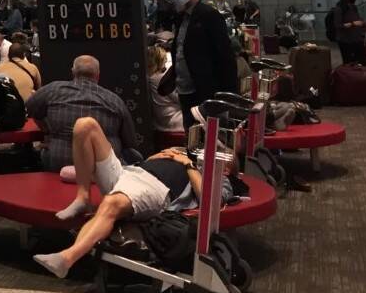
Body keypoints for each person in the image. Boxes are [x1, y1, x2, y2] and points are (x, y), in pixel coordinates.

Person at [32, 117, 231, 279]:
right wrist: (160, 156)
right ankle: (82, 198)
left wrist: (188, 165)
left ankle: (67, 258)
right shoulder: (184, 155)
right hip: (129, 172)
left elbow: (211, 200)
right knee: (86, 125)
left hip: (156, 187)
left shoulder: (217, 177)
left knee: (111, 204)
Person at [25, 55, 136, 173]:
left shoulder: (53, 89)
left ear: (73, 72)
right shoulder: (115, 101)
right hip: (102, 169)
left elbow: (27, 109)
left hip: (58, 165)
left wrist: (46, 128)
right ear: (98, 75)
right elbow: (130, 141)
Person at [168, 0, 239, 129]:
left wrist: (229, 97)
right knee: (191, 139)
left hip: (206, 91)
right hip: (185, 91)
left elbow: (225, 57)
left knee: (212, 142)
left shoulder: (209, 15)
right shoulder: (180, 17)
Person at [147, 45, 183, 133]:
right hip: (172, 121)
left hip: (160, 122)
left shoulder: (150, 78)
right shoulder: (160, 79)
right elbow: (181, 99)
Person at [333, 0, 366, 67]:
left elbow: (357, 19)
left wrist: (362, 23)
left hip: (356, 38)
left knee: (363, 60)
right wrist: (353, 24)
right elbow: (338, 25)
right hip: (345, 40)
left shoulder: (354, 7)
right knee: (349, 62)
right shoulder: (339, 9)